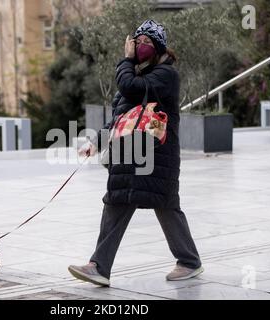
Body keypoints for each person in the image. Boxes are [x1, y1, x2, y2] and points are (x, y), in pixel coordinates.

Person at [69, 20, 203, 287]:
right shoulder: (136, 75)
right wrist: (97, 140)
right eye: (138, 41)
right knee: (117, 203)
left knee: (165, 206)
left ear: (158, 48)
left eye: (147, 43)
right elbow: (121, 117)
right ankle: (99, 266)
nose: (141, 47)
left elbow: (130, 87)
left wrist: (126, 60)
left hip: (156, 155)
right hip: (128, 153)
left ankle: (189, 262)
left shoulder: (165, 75)